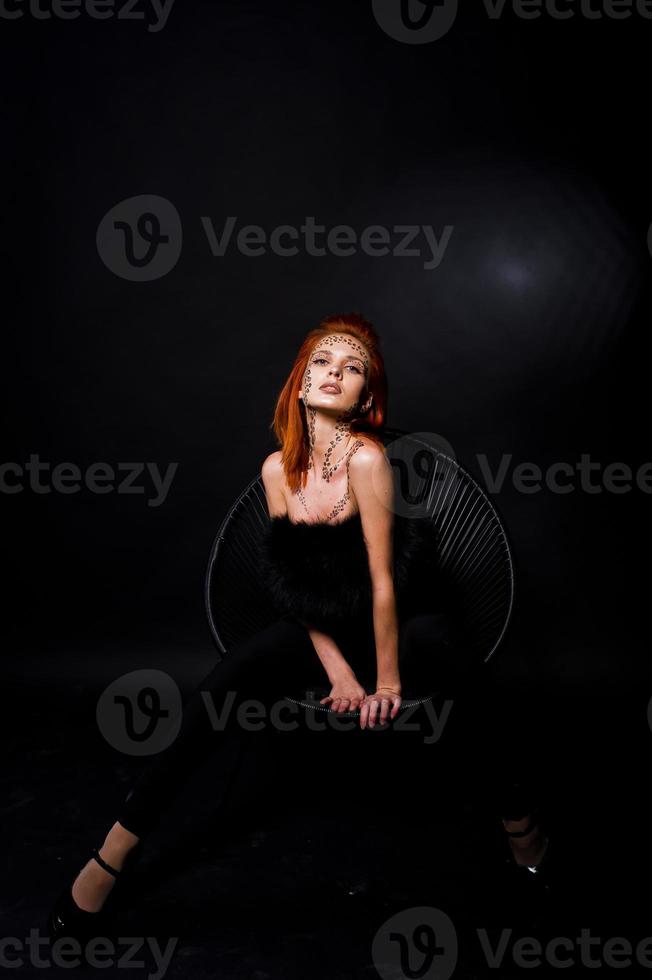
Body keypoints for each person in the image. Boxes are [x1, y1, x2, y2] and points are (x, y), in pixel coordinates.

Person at [48, 312, 548, 941]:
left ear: (366, 395)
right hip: (329, 627)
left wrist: (387, 684)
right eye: (321, 362)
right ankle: (112, 853)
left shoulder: (368, 459)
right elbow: (297, 590)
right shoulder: (275, 472)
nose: (334, 372)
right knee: (228, 678)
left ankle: (520, 817)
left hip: (398, 620)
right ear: (300, 380)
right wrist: (338, 670)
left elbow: (385, 581)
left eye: (351, 367)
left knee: (454, 657)